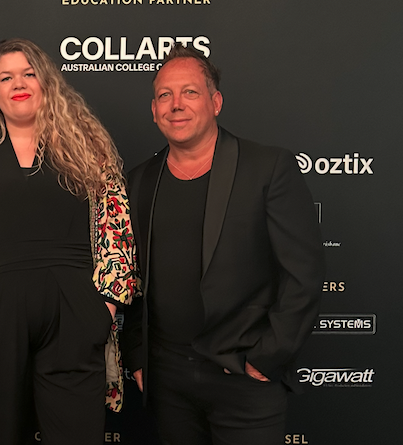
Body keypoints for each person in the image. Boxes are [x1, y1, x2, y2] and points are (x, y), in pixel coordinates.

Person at [0, 38, 139, 444]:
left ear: (46, 81)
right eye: (6, 77)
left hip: (74, 315)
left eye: (28, 74)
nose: (18, 84)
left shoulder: (89, 148)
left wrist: (104, 308)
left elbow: (117, 227)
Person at [121, 43, 326, 445]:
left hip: (244, 378)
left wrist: (266, 357)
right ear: (154, 110)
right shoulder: (139, 181)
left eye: (190, 92)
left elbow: (304, 273)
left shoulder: (268, 168)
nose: (176, 104)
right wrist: (138, 355)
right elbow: (135, 278)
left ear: (215, 102)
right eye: (165, 95)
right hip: (168, 380)